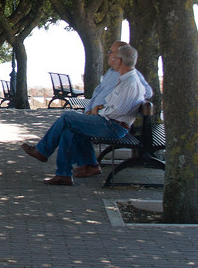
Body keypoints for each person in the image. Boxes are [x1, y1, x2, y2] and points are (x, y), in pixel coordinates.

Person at [21, 44, 145, 185]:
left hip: (113, 126)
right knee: (69, 130)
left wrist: (97, 111)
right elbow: (115, 105)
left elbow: (117, 111)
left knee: (67, 117)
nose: (110, 57)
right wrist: (99, 107)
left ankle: (42, 151)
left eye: (113, 55)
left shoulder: (130, 82)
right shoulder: (124, 79)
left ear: (120, 60)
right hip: (110, 122)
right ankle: (64, 175)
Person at [71, 40, 153, 175]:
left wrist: (131, 96)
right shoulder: (110, 72)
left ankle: (56, 161)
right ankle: (87, 165)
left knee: (69, 120)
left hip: (109, 120)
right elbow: (98, 91)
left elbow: (147, 92)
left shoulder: (130, 76)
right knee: (71, 124)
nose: (108, 54)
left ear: (121, 56)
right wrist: (89, 109)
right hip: (101, 114)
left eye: (111, 52)